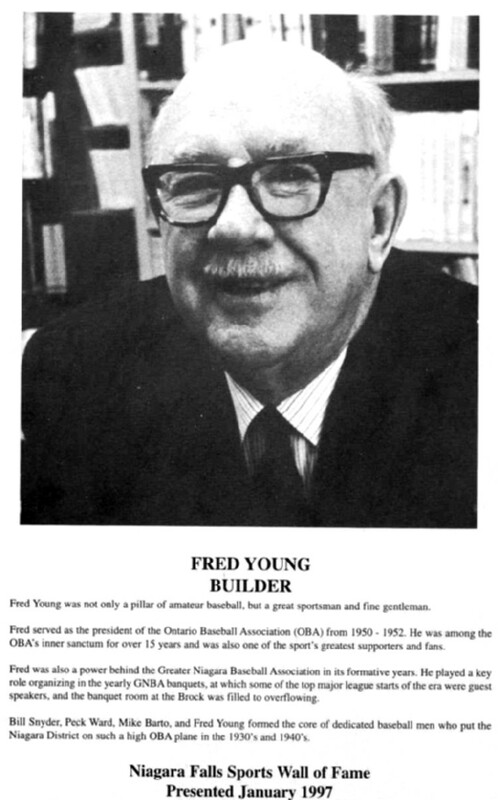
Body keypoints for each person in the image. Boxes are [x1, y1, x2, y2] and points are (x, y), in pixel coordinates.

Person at [21, 41, 477, 527]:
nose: (234, 227)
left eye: (290, 175)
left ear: (379, 220)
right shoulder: (73, 373)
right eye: (194, 181)